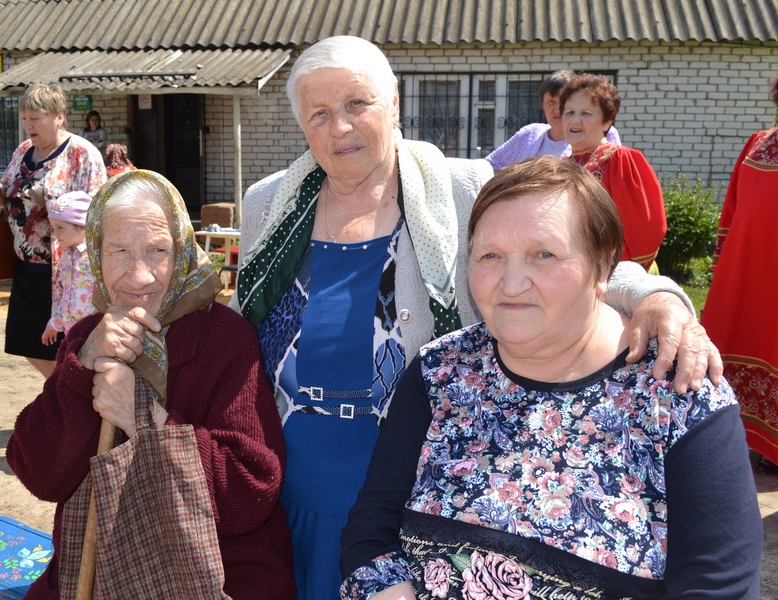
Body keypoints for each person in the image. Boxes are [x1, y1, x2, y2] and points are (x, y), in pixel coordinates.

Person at [231, 35, 720, 600]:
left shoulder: (461, 187)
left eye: (356, 104)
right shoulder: (270, 201)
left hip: (415, 476)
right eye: (319, 113)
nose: (340, 127)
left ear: (393, 100)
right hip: (292, 474)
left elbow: (570, 249)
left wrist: (656, 297)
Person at [340, 156, 762, 600]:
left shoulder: (678, 393)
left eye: (544, 254)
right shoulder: (440, 372)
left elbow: (718, 586)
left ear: (603, 268)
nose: (512, 282)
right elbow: (372, 530)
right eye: (491, 256)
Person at [5, 169, 295, 599]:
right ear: (96, 256)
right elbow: (39, 475)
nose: (138, 276)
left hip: (213, 576)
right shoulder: (86, 337)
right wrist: (82, 367)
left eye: (157, 251)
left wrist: (148, 419)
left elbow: (250, 492)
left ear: (180, 252)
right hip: (96, 574)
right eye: (119, 250)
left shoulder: (225, 338)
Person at [0, 83, 107, 378]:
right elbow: (9, 191)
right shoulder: (23, 151)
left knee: (65, 345)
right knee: (29, 344)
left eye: (36, 117)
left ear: (59, 116)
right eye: (24, 118)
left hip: (67, 271)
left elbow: (99, 212)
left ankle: (72, 400)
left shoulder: (83, 154)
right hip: (26, 266)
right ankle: (62, 392)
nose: (28, 125)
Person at [701, 76, 778, 474]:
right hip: (744, 272)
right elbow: (732, 208)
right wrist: (722, 263)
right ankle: (741, 438)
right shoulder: (758, 142)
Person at [560, 73, 666, 271]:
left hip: (614, 271)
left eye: (586, 113)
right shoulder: (562, 165)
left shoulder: (620, 159)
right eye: (569, 112)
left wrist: (621, 270)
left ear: (607, 122)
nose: (575, 120)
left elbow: (646, 227)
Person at [485, 69, 621, 170]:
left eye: (563, 103)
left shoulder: (603, 132)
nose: (557, 110)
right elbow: (491, 166)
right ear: (542, 104)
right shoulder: (530, 134)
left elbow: (616, 174)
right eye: (551, 102)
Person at [41, 191, 96, 346]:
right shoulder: (65, 256)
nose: (55, 234)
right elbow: (60, 292)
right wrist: (54, 323)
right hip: (70, 329)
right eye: (53, 228)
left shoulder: (98, 255)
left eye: (60, 227)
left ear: (81, 226)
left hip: (96, 328)